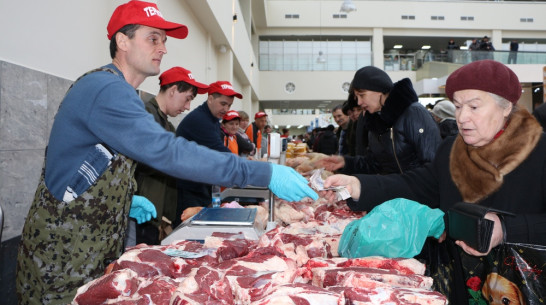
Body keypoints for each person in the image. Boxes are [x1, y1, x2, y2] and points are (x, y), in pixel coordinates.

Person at [15, 2, 317, 304]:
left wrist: (124, 197)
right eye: (153, 38)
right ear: (123, 41)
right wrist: (262, 172)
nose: (163, 48)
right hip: (64, 253)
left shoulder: (120, 92)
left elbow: (90, 160)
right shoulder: (105, 88)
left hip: (91, 246)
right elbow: (168, 152)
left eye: (164, 40)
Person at [321, 60, 546, 304]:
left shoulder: (539, 151)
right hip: (461, 282)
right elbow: (415, 185)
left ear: (505, 107)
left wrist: (505, 229)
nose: (462, 117)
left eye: (473, 107)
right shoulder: (452, 149)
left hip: (523, 285)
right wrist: (358, 185)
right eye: (458, 107)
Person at [318, 66, 441, 175]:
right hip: (394, 197)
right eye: (357, 97)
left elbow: (433, 167)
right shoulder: (376, 122)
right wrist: (345, 162)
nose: (359, 102)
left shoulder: (414, 114)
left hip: (418, 199)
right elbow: (375, 164)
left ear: (378, 91)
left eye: (362, 95)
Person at [134, 66, 209, 245]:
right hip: (143, 214)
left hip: (157, 214)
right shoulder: (146, 116)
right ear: (173, 90)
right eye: (187, 99)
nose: (188, 106)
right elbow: (150, 161)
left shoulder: (167, 125)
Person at [175, 80, 242, 227]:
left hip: (200, 185)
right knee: (188, 235)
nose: (226, 109)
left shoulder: (212, 120)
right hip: (188, 190)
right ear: (210, 98)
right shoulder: (200, 120)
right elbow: (222, 152)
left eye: (229, 105)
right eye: (223, 104)